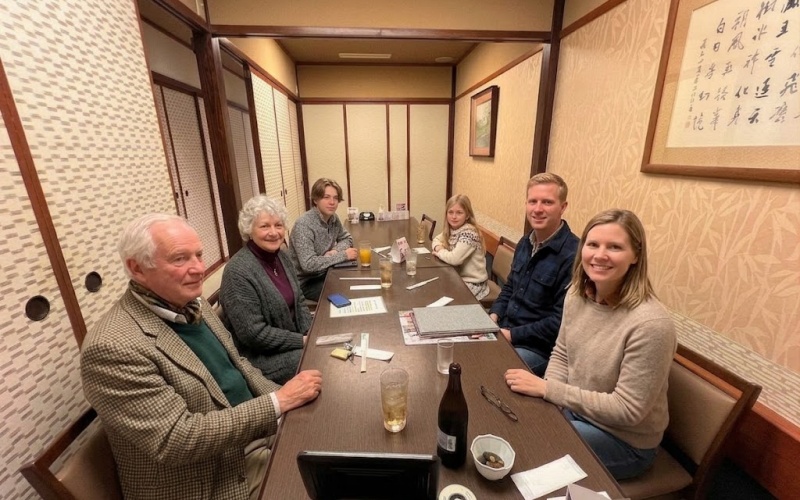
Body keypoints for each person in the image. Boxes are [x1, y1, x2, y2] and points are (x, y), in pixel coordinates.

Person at [80, 214, 323, 500]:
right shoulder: (112, 347)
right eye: (180, 259)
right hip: (213, 476)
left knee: (336, 438)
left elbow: (240, 365)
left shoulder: (192, 304)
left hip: (255, 435)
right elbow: (177, 438)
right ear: (137, 268)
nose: (198, 268)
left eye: (198, 255)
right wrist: (278, 403)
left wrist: (287, 404)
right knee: (331, 485)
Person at [504, 209, 676, 480]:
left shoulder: (651, 324)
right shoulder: (576, 295)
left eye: (615, 247)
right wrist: (551, 402)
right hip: (576, 412)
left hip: (621, 439)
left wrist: (549, 390)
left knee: (528, 448)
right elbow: (562, 353)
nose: (600, 255)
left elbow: (627, 410)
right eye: (593, 244)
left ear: (636, 256)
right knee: (514, 421)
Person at [488, 173, 579, 376]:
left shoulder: (574, 255)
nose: (538, 209)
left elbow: (560, 321)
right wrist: (494, 315)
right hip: (505, 329)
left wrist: (511, 335)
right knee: (462, 351)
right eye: (533, 201)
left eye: (547, 202)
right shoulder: (525, 242)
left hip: (538, 349)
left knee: (490, 371)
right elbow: (509, 287)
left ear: (563, 207)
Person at [220, 195, 312, 385]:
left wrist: (310, 332)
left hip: (291, 342)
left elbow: (300, 300)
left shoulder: (282, 257)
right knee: (319, 360)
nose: (274, 232)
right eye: (264, 226)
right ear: (249, 230)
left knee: (327, 347)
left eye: (278, 225)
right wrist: (302, 341)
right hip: (258, 358)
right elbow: (253, 334)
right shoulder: (237, 271)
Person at [289, 178, 357, 301]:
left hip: (325, 271)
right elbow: (309, 265)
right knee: (347, 294)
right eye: (326, 197)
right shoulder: (304, 225)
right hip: (306, 282)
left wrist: (334, 252)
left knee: (354, 282)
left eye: (335, 198)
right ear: (315, 200)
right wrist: (343, 255)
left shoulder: (333, 218)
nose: (332, 202)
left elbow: (347, 238)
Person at [432, 194, 489, 300]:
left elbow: (455, 259)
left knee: (441, 297)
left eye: (459, 213)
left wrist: (440, 252)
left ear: (467, 215)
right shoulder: (452, 228)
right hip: (456, 277)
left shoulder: (469, 232)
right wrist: (440, 248)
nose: (454, 216)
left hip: (473, 283)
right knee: (434, 289)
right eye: (450, 212)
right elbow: (436, 240)